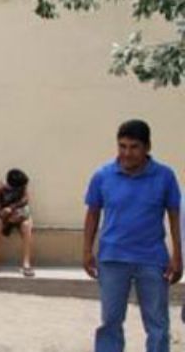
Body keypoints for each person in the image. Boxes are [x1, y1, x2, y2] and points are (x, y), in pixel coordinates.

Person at [84, 119, 182, 352]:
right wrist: (87, 250)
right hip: (112, 259)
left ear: (147, 147)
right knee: (110, 322)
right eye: (122, 146)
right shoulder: (102, 176)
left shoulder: (165, 176)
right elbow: (93, 214)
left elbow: (175, 216)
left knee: (157, 324)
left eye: (134, 147)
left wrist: (178, 255)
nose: (127, 153)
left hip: (152, 260)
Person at [0, 169, 34, 277]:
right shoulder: (0, 188)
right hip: (6, 217)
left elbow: (25, 200)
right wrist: (6, 215)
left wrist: (12, 209)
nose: (21, 189)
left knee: (26, 226)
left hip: (21, 215)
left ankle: (26, 263)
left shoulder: (22, 185)